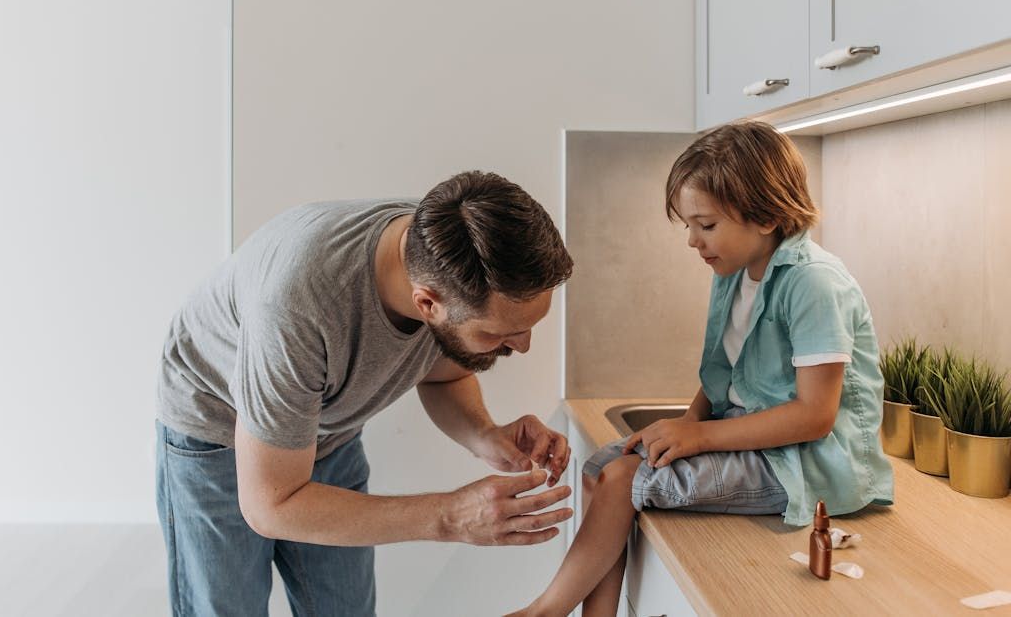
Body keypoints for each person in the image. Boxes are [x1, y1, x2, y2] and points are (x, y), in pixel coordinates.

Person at [510, 122, 894, 616]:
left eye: (706, 225)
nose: (693, 240)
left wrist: (701, 438)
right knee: (600, 467)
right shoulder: (733, 274)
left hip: (807, 464)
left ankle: (543, 612)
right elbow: (722, 378)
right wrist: (691, 423)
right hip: (758, 440)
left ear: (765, 215)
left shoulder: (813, 285)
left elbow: (815, 416)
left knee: (627, 477)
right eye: (688, 225)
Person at [155, 170, 577, 616]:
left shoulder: (449, 253)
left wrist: (484, 434)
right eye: (501, 333)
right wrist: (451, 516)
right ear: (427, 304)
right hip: (216, 429)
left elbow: (444, 373)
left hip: (327, 430)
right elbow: (270, 504)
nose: (523, 345)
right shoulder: (298, 306)